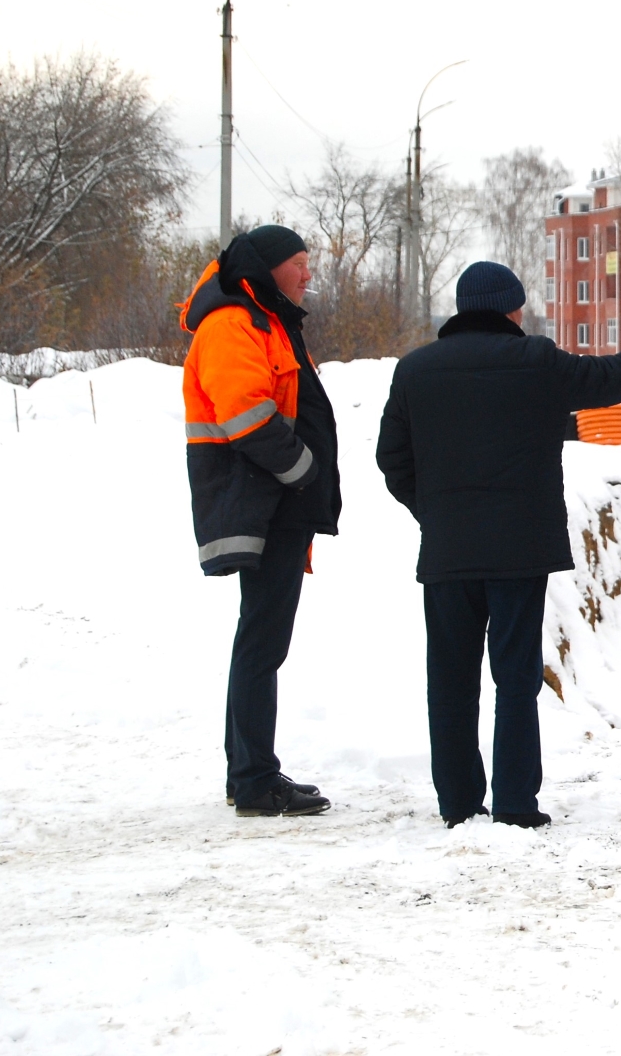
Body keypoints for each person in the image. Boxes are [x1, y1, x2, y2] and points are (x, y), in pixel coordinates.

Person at [375, 261, 621, 830]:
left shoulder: (416, 370)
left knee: (451, 680)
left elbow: (392, 459)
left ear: (462, 308)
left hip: (448, 553)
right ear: (512, 309)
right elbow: (618, 376)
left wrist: (435, 511)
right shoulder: (534, 361)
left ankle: (458, 803)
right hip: (519, 551)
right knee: (515, 679)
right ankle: (514, 804)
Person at [181, 224, 342, 818]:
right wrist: (303, 471)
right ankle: (254, 779)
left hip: (275, 502)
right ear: (269, 269)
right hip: (264, 499)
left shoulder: (265, 320)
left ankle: (246, 772)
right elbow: (246, 415)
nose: (308, 274)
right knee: (262, 642)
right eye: (300, 263)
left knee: (261, 638)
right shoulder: (232, 324)